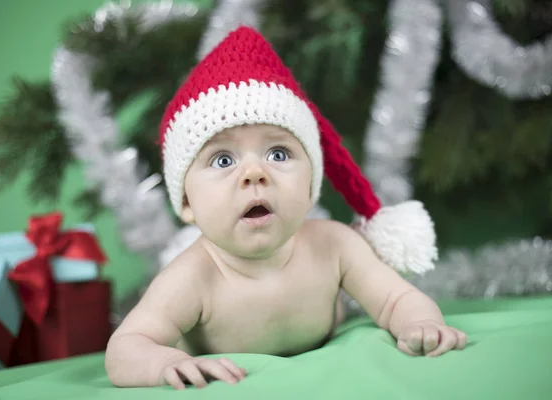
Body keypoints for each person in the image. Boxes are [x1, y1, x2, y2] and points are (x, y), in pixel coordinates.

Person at [105, 26, 466, 390]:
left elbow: (396, 298)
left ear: (311, 186)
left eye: (278, 153)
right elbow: (126, 347)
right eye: (222, 159)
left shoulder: (335, 246)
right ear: (186, 203)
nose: (254, 173)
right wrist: (165, 361)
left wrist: (419, 323)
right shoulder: (192, 278)